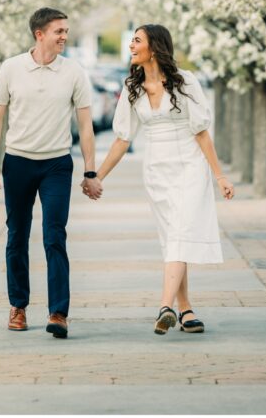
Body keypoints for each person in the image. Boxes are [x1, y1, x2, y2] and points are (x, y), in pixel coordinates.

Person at [89, 24, 234, 335]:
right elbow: (122, 139)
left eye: (137, 40)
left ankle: (164, 306)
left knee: (180, 235)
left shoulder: (186, 82)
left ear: (154, 47)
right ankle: (186, 310)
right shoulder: (132, 88)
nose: (131, 45)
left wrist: (219, 176)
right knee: (173, 242)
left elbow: (201, 132)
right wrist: (96, 176)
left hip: (190, 168)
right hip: (157, 171)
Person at [0, 8, 99, 338]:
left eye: (66, 31)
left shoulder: (74, 71)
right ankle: (18, 306)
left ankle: (58, 312)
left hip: (56, 165)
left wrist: (91, 171)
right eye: (58, 31)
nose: (64, 36)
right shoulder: (11, 68)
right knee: (17, 236)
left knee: (54, 236)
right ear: (39, 34)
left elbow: (85, 124)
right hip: (18, 162)